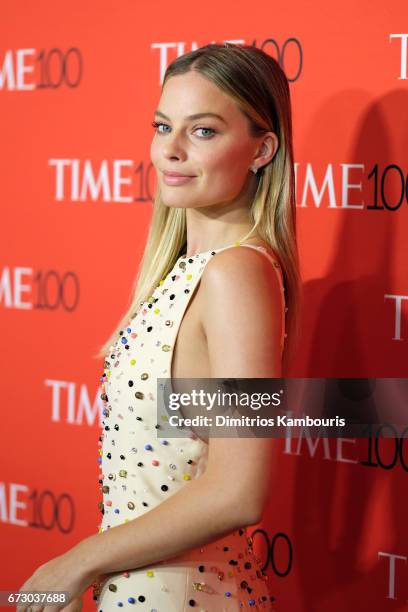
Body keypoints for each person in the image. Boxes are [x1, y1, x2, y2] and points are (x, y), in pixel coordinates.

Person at [17, 42, 301, 611]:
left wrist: (76, 561)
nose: (169, 150)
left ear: (261, 149)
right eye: (162, 125)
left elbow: (238, 491)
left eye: (203, 131)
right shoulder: (190, 271)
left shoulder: (235, 275)